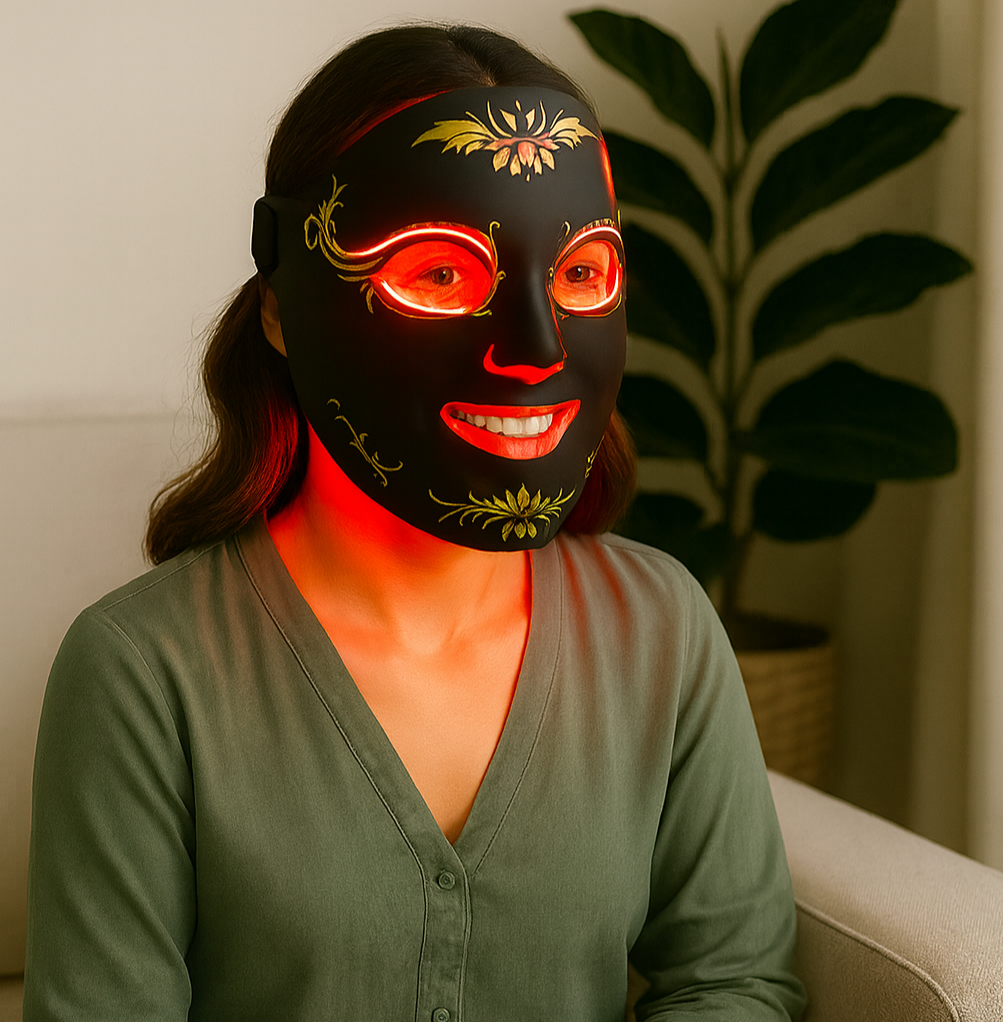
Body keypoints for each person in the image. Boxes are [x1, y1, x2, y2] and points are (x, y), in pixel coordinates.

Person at [24, 23, 806, 1022]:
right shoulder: (142, 667)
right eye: (439, 273)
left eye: (578, 275)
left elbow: (732, 978)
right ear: (280, 310)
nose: (532, 348)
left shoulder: (661, 627)